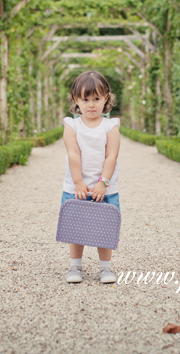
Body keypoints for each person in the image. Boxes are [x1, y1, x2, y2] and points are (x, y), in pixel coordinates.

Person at [61, 70, 121, 284]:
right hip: (76, 186)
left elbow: (111, 156)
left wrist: (103, 182)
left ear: (106, 98)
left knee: (104, 227)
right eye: (85, 99)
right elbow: (73, 153)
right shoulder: (72, 125)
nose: (91, 104)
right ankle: (75, 266)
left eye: (96, 98)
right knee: (76, 228)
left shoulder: (110, 126)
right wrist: (78, 181)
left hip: (104, 188)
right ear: (76, 100)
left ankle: (105, 268)